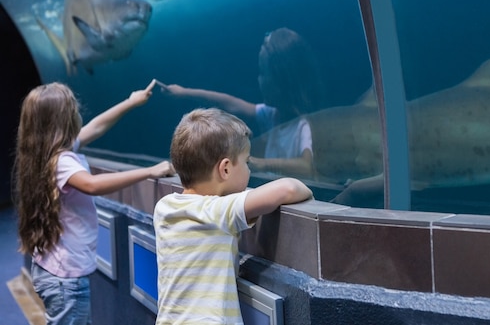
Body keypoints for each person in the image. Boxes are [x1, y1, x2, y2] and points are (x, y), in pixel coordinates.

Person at [13, 79, 175, 325]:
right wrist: (149, 171)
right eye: (73, 110)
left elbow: (96, 127)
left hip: (53, 270)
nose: (78, 113)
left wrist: (129, 103)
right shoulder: (61, 161)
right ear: (63, 121)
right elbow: (91, 184)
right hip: (65, 279)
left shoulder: (43, 154)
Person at [153, 107, 313, 325]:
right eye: (246, 161)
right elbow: (289, 189)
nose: (249, 170)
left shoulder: (165, 208)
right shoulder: (218, 211)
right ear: (225, 169)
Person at [158, 27, 324, 178]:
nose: (259, 80)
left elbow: (307, 166)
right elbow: (231, 104)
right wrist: (184, 92)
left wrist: (259, 163)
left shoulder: (303, 125)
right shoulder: (273, 115)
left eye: (263, 73)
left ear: (281, 80)